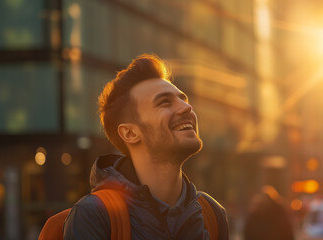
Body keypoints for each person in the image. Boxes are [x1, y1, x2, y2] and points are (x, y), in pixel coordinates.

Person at [63, 54, 228, 239]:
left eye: (183, 99)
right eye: (165, 102)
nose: (186, 108)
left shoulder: (212, 214)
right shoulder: (93, 216)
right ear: (130, 133)